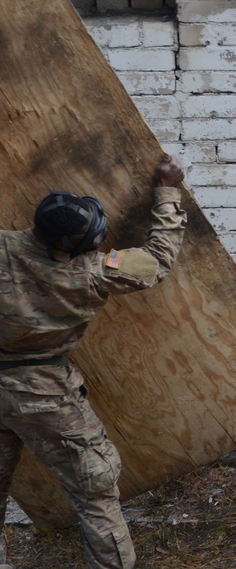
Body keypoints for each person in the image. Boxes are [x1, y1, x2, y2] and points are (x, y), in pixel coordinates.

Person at [0, 154, 187, 569]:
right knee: (95, 488)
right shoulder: (94, 273)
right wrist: (168, 191)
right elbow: (158, 258)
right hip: (44, 396)